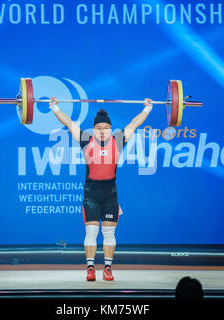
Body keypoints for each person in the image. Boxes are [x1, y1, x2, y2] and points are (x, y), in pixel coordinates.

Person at [49, 97, 153, 281]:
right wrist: (55, 107)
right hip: (91, 193)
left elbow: (133, 124)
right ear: (93, 130)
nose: (103, 131)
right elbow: (69, 123)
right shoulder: (85, 139)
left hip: (110, 194)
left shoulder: (118, 139)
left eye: (106, 128)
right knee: (91, 232)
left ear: (110, 129)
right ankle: (90, 268)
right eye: (99, 128)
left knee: (109, 233)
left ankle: (107, 269)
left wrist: (147, 109)